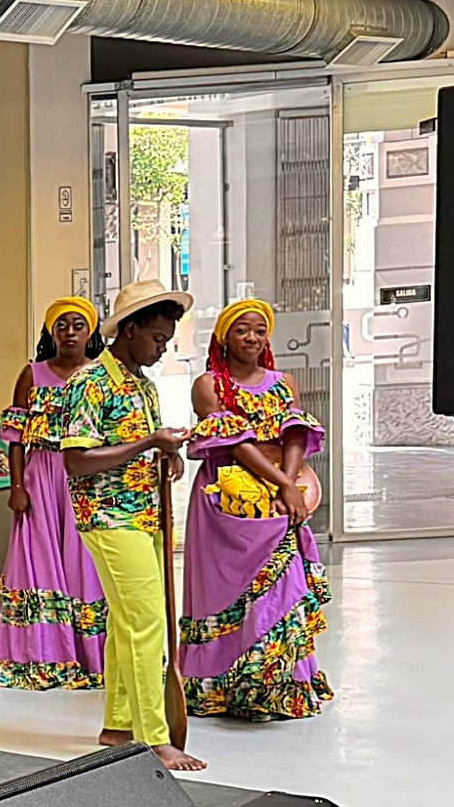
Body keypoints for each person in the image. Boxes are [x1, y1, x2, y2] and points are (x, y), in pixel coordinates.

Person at [59, 280, 205, 773]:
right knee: (148, 623)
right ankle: (154, 738)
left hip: (145, 513)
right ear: (129, 330)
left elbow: (139, 445)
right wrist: (148, 444)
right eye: (157, 338)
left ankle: (118, 725)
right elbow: (76, 461)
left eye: (167, 340)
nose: (162, 349)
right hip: (108, 517)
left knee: (126, 622)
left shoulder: (141, 383)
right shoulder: (89, 382)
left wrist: (167, 456)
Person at [179, 300, 333, 720]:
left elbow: (295, 434)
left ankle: (275, 688)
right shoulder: (209, 385)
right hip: (224, 498)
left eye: (260, 331)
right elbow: (234, 443)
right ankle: (222, 689)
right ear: (224, 337)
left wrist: (290, 483)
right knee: (224, 590)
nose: (251, 338)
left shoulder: (284, 383)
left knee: (283, 584)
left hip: (280, 495)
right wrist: (283, 482)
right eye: (242, 330)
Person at [0, 297, 109, 690]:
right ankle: (40, 652)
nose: (70, 333)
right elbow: (16, 438)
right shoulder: (32, 374)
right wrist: (16, 486)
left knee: (85, 562)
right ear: (50, 332)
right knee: (37, 559)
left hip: (85, 476)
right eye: (61, 326)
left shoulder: (103, 374)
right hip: (40, 477)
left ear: (91, 332)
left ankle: (90, 654)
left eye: (78, 325)